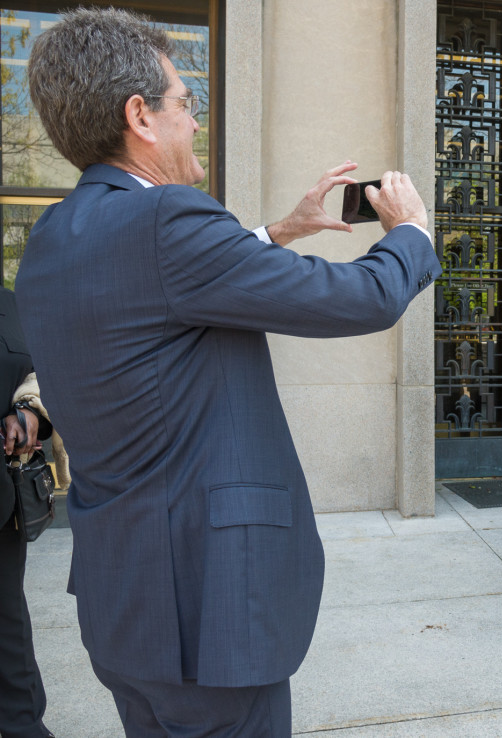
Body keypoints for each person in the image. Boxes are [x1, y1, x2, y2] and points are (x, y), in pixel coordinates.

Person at [17, 8, 441, 735]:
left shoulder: (55, 236)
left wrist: (279, 230)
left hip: (125, 604)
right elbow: (361, 298)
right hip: (208, 608)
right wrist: (410, 234)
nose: (194, 121)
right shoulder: (170, 222)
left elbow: (156, 297)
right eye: (185, 103)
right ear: (139, 117)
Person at [0, 290, 55, 738]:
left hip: (1, 497)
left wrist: (27, 409)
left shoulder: (15, 305)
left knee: (7, 615)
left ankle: (23, 725)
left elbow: (46, 371)